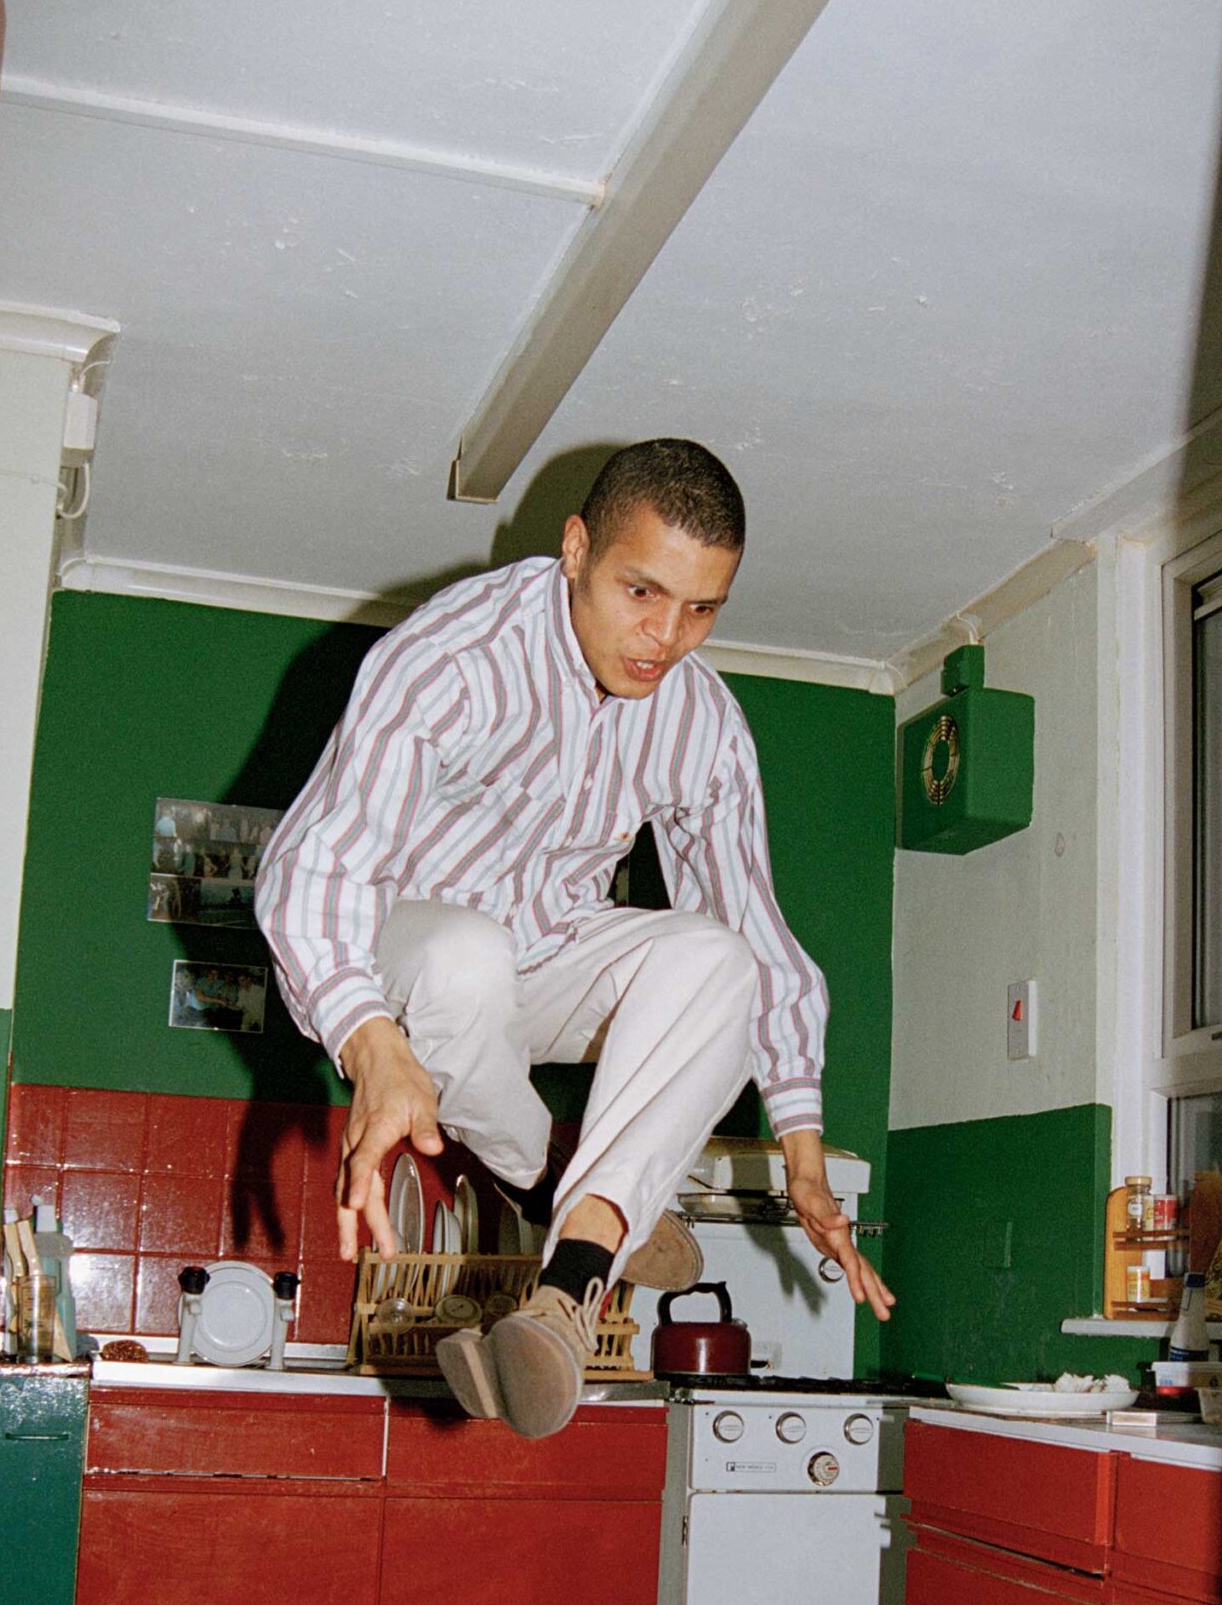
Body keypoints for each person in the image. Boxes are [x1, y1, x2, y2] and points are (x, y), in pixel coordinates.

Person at [255, 438, 893, 1438]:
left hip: (556, 956)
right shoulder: (452, 658)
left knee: (719, 960)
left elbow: (756, 927)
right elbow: (313, 867)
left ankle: (573, 1279)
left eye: (701, 609)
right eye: (642, 592)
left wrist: (802, 1151)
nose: (666, 637)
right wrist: (370, 1041)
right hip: (404, 952)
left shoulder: (703, 723)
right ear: (575, 547)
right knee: (469, 953)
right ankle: (544, 1177)